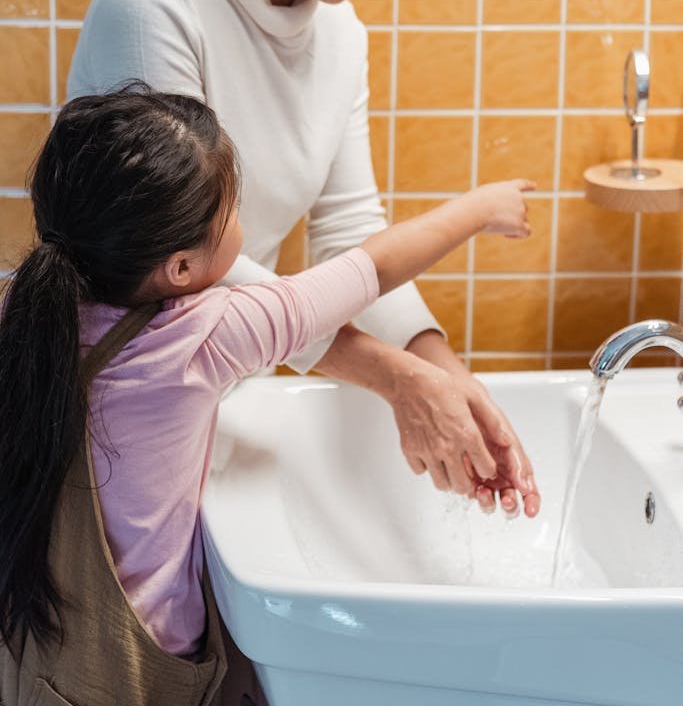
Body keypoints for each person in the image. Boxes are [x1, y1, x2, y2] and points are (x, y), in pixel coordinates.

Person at [67, 0, 541, 517]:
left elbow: (350, 229)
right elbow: (179, 259)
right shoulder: (154, 4)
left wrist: (441, 370)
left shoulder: (339, 31)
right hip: (124, 417)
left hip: (229, 392)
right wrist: (394, 379)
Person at [0, 88, 534, 704]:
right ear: (180, 268)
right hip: (135, 672)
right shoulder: (203, 336)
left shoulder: (20, 309)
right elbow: (373, 269)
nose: (240, 225)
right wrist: (480, 208)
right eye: (229, 212)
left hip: (30, 647)